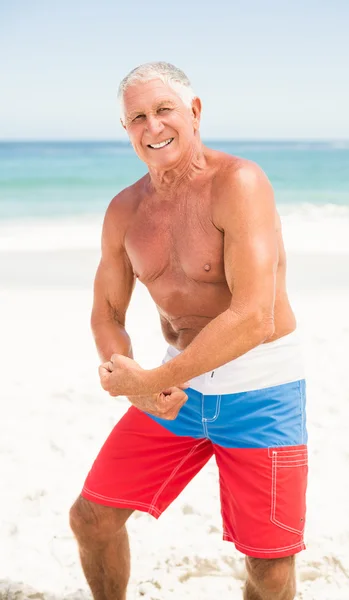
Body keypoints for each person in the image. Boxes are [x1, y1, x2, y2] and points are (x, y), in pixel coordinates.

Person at [69, 62, 308, 600]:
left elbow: (254, 317)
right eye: (136, 118)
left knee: (270, 568)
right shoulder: (124, 210)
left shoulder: (239, 183)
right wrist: (121, 365)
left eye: (163, 111)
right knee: (92, 519)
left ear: (194, 112)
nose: (152, 127)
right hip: (176, 391)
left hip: (261, 389)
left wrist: (151, 380)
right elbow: (107, 312)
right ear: (126, 130)